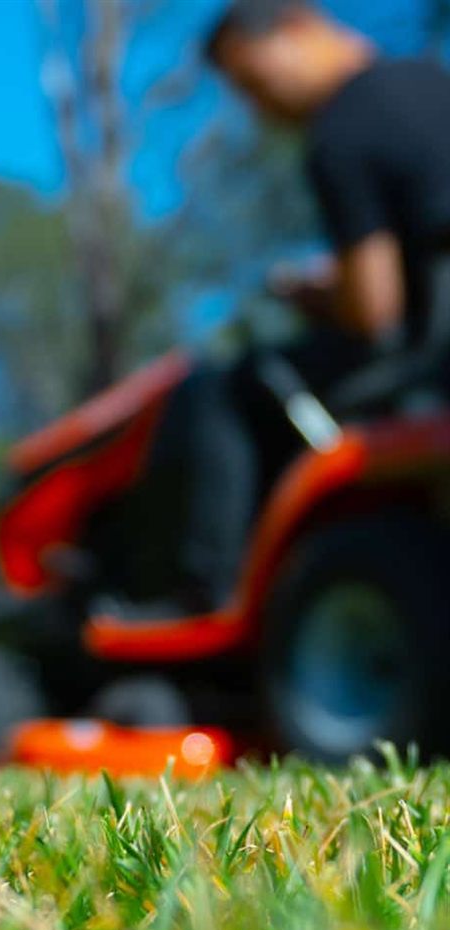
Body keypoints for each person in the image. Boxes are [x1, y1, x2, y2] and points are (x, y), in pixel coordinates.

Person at [147, 0, 450, 618]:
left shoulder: (342, 128)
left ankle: (207, 595)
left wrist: (311, 294)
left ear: (297, 28)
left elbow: (373, 310)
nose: (262, 108)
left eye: (255, 84)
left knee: (222, 391)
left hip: (429, 355)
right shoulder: (433, 82)